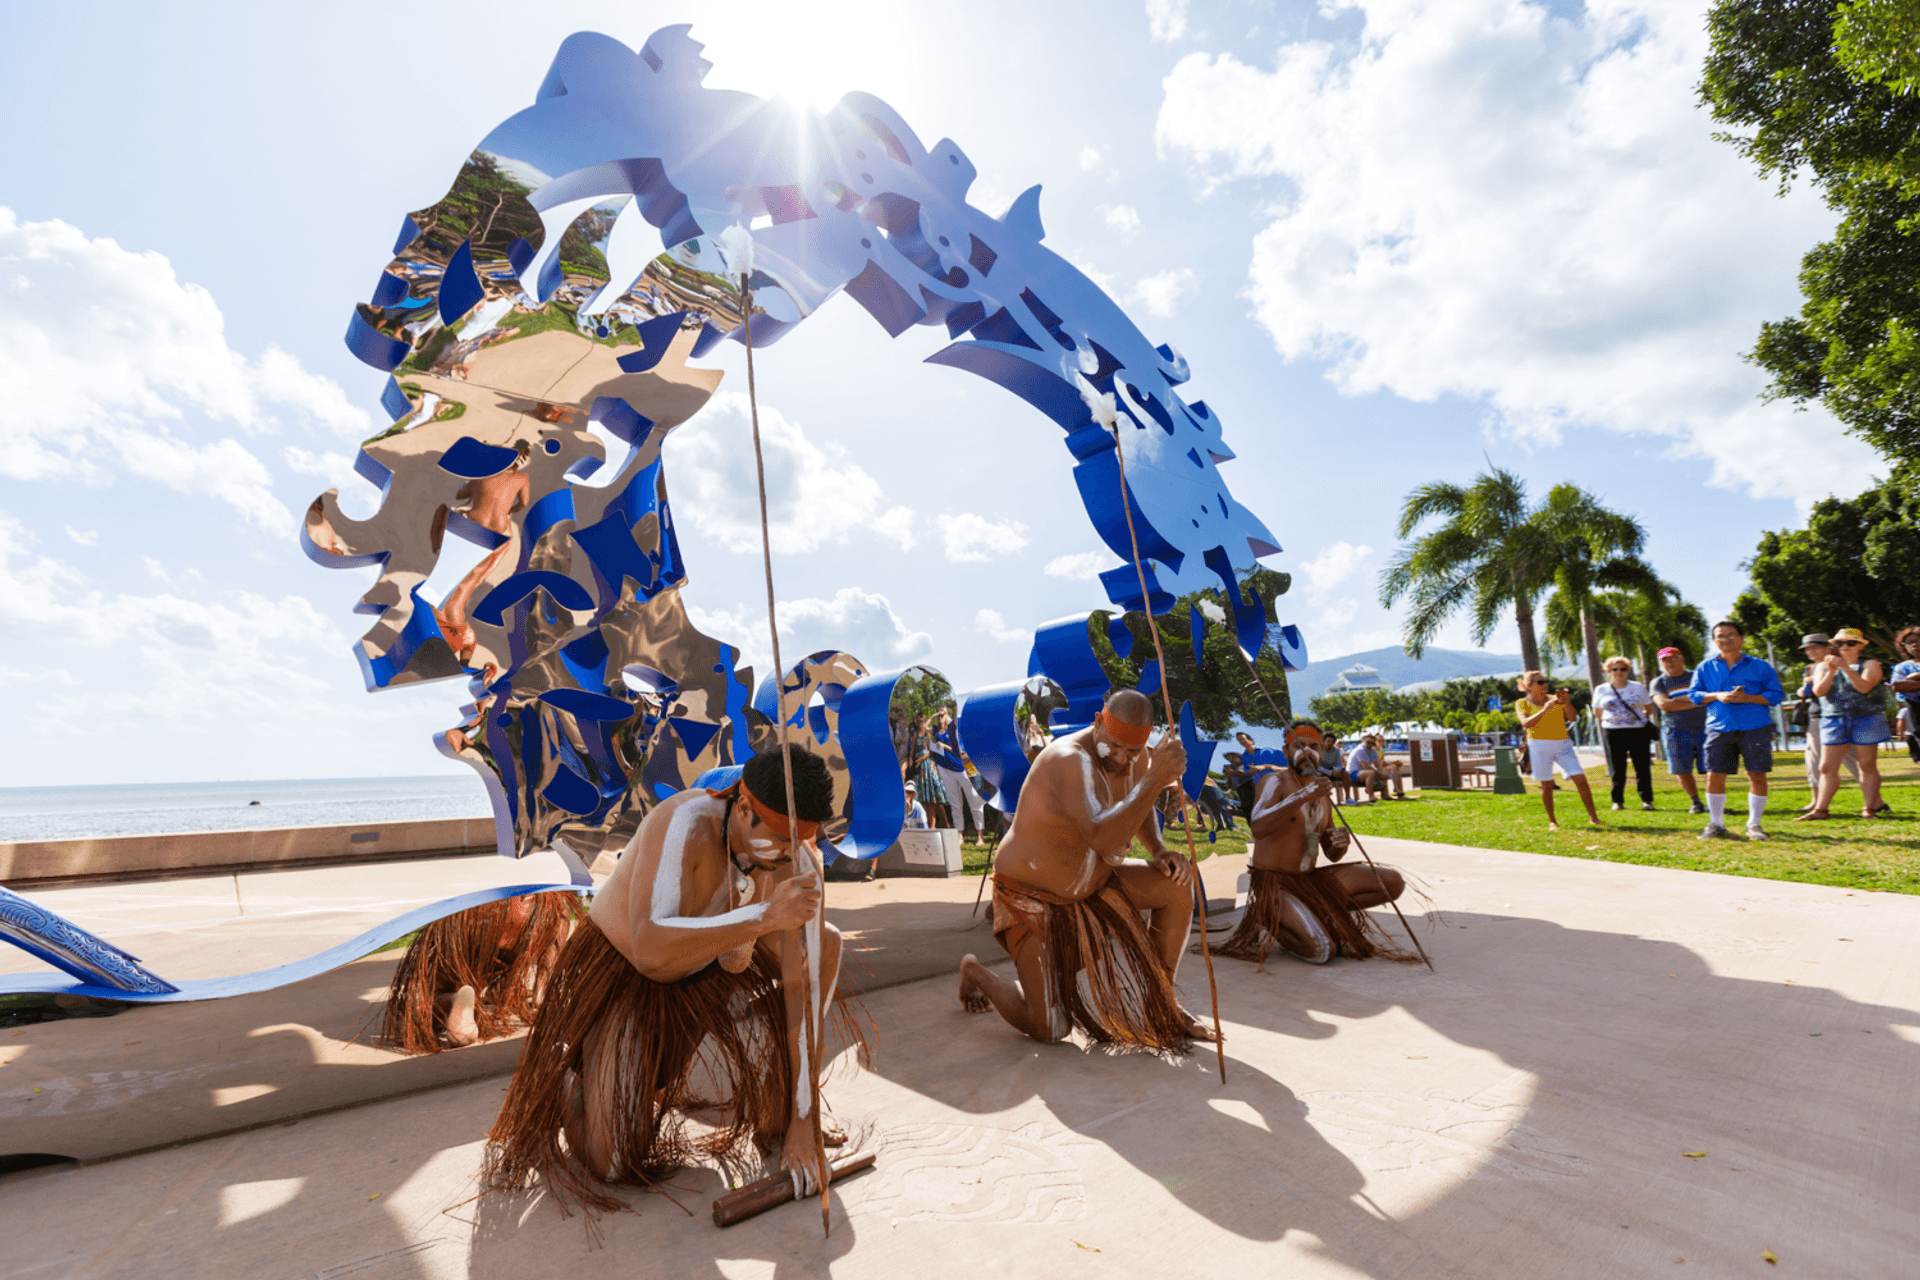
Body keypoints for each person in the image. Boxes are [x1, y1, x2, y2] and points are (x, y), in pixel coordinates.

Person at [484, 746, 851, 1215]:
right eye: (778, 841)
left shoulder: (799, 861)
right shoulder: (684, 822)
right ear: (743, 809)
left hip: (708, 973)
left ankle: (777, 1111)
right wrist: (763, 916)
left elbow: (801, 987)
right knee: (613, 1161)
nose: (787, 856)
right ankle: (574, 1082)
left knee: (825, 945)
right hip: (631, 977)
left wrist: (803, 1118)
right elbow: (651, 952)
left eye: (799, 842)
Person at [956, 689, 1211, 1050]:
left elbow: (1138, 807)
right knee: (1050, 1027)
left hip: (1096, 885)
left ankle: (1161, 1001)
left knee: (1176, 884)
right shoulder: (1067, 759)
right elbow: (1103, 837)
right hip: (1032, 897)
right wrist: (1155, 779)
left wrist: (1157, 849)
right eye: (1114, 747)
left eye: (1133, 751)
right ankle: (975, 972)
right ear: (1097, 723)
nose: (1122, 758)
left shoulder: (1138, 760)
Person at [1217, 723, 1416, 965]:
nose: (1307, 752)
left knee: (1392, 883)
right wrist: (1302, 796)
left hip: (1310, 881)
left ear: (1321, 752)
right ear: (1286, 750)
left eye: (1314, 747)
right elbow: (1258, 826)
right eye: (1298, 746)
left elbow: (1331, 854)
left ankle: (1317, 913)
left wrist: (1341, 843)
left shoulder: (1322, 793)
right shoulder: (1274, 781)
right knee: (1322, 950)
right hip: (1275, 883)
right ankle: (1267, 914)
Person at [380, 892, 582, 1054]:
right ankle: (542, 990)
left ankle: (452, 999)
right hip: (534, 909)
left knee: (422, 1004)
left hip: (478, 911)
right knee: (558, 904)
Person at [1686, 620, 1786, 840]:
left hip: (1755, 727)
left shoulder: (1760, 666)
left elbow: (1777, 695)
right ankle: (1716, 824)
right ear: (1714, 641)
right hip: (1719, 728)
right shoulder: (1705, 667)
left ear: (1742, 638)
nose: (1725, 640)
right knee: (1714, 775)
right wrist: (1717, 695)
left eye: (1731, 635)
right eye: (1720, 636)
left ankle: (1754, 824)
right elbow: (1694, 695)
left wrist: (1748, 697)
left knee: (1757, 775)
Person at [1799, 627, 1889, 820]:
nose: (1844, 647)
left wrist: (1846, 668)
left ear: (1860, 646)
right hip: (1833, 719)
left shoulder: (1870, 664)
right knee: (1826, 767)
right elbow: (1820, 692)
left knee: (1867, 765)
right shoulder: (1823, 666)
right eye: (1839, 643)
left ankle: (1869, 808)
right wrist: (1831, 671)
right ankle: (1820, 810)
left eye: (1850, 643)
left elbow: (1864, 687)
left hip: (1866, 718)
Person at [1516, 672, 1603, 830]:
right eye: (1540, 682)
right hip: (1538, 745)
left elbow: (1573, 718)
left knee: (1581, 779)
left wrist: (1567, 704)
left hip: (1563, 744)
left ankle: (1594, 818)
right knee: (1547, 785)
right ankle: (1552, 822)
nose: (1545, 685)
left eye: (1545, 681)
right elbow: (1526, 724)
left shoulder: (1555, 699)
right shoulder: (1522, 703)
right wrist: (1545, 709)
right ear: (1528, 686)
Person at [1795, 633, 1861, 804]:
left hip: (1841, 716)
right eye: (1807, 649)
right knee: (1814, 759)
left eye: (1815, 647)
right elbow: (1805, 692)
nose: (1811, 652)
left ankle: (1874, 799)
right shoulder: (1810, 668)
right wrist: (1803, 689)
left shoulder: (1842, 665)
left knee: (1855, 759)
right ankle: (1816, 801)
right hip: (1817, 716)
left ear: (1829, 647)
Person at [1648, 647, 1708, 815]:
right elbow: (1665, 705)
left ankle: (1715, 802)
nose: (1669, 663)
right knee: (1682, 769)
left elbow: (1709, 696)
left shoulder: (1697, 676)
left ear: (1681, 659)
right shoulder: (1659, 682)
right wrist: (1696, 702)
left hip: (1705, 729)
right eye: (1664, 660)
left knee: (1712, 767)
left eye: (1672, 658)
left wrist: (1678, 701)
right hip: (1675, 730)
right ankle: (1696, 802)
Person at [1593, 655, 1656, 811]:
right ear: (1608, 671)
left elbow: (1649, 709)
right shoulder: (1601, 689)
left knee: (1642, 767)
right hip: (1613, 732)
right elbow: (1597, 712)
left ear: (1628, 670)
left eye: (1623, 669)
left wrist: (1633, 720)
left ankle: (1647, 800)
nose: (1619, 672)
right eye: (1615, 669)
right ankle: (1617, 801)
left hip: (1637, 731)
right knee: (1617, 768)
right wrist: (1613, 721)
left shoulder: (1637, 687)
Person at [931, 707, 988, 838]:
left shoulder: (953, 726)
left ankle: (980, 834)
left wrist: (946, 713)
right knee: (955, 803)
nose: (940, 716)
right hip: (944, 768)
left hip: (965, 765)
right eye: (939, 714)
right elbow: (928, 741)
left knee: (974, 799)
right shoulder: (936, 730)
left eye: (943, 713)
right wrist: (933, 716)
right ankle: (959, 834)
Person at [905, 713, 951, 827]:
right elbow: (913, 749)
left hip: (928, 765)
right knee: (923, 797)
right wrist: (911, 758)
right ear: (916, 722)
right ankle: (926, 824)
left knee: (933, 796)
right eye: (919, 721)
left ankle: (939, 824)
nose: (921, 723)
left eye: (922, 721)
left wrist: (922, 758)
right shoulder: (915, 734)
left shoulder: (928, 733)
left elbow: (930, 750)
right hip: (919, 767)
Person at [1345, 733, 1405, 801]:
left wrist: (1384, 773)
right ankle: (1371, 796)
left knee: (1383, 772)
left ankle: (1385, 795)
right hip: (1352, 773)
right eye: (1368, 742)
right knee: (1371, 773)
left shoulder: (1373, 751)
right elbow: (1366, 766)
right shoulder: (1360, 750)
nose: (1370, 744)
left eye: (1372, 743)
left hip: (1363, 772)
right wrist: (1380, 774)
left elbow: (1378, 765)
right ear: (1363, 741)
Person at [1894, 626, 1920, 764]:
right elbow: (1897, 686)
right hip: (1915, 708)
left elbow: (1905, 685)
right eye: (1909, 642)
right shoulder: (1902, 667)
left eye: (1918, 640)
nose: (1915, 644)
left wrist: (1915, 679)